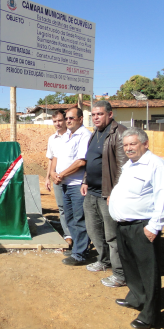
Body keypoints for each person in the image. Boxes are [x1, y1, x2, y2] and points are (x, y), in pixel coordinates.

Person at [109, 128, 164, 329]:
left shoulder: (155, 165)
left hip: (142, 227)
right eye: (125, 145)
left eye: (133, 144)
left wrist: (154, 226)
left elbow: (162, 197)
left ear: (145, 144)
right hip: (123, 225)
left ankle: (151, 316)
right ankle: (137, 298)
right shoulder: (129, 165)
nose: (128, 148)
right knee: (131, 267)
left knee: (148, 272)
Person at [80, 101, 128, 288]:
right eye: (93, 114)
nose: (96, 117)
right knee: (94, 230)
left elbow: (123, 167)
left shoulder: (119, 133)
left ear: (110, 114)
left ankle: (120, 274)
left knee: (112, 235)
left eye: (99, 114)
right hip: (91, 191)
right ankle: (104, 261)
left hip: (108, 193)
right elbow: (91, 161)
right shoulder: (95, 134)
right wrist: (85, 180)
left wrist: (114, 193)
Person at [50, 107, 91, 265]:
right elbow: (57, 156)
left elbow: (81, 161)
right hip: (64, 183)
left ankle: (81, 254)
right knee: (70, 219)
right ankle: (77, 250)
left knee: (79, 219)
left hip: (76, 184)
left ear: (80, 119)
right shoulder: (66, 135)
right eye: (66, 118)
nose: (68, 121)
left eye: (71, 118)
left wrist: (62, 174)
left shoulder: (84, 135)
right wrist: (53, 172)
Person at [45, 110, 72, 247]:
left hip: (73, 179)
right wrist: (48, 177)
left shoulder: (72, 135)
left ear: (65, 120)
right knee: (62, 207)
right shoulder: (52, 139)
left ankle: (78, 234)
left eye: (60, 120)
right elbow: (50, 159)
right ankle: (68, 235)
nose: (58, 124)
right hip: (57, 179)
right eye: (55, 121)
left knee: (75, 208)